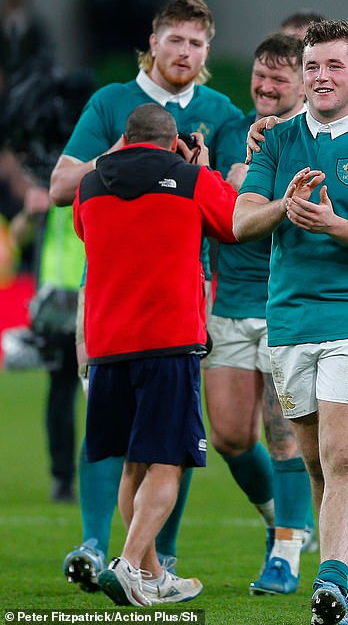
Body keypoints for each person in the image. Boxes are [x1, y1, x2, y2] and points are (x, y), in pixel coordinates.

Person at [49, 0, 243, 593]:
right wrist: (135, 161)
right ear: (153, 43)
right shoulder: (112, 101)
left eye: (195, 42)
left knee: (137, 448)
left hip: (151, 302)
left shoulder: (221, 108)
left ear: (206, 52)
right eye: (175, 39)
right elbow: (61, 183)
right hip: (144, 312)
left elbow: (241, 181)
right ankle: (120, 557)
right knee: (161, 448)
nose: (184, 51)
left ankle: (156, 568)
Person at [234, 19, 348, 625]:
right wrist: (284, 209)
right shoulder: (278, 141)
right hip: (289, 319)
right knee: (316, 463)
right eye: (312, 66)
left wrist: (334, 223)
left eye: (335, 66)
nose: (321, 76)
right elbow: (241, 221)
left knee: (343, 458)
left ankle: (331, 584)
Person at [73, 103, 238, 606]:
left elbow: (85, 231)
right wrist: (203, 167)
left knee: (133, 464)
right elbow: (232, 222)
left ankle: (151, 577)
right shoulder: (189, 178)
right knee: (168, 461)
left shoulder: (88, 185)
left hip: (107, 343)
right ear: (173, 142)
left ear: (125, 138)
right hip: (168, 340)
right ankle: (128, 564)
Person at [209, 32, 313, 596]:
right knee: (226, 435)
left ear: (302, 83)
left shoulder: (315, 133)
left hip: (286, 302)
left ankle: (289, 551)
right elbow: (224, 196)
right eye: (260, 76)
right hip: (231, 300)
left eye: (279, 78)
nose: (266, 87)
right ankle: (281, 519)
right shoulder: (233, 127)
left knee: (284, 432)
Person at [10, 188, 83, 503]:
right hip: (54, 306)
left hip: (90, 298)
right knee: (61, 393)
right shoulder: (47, 188)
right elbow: (16, 238)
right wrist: (29, 211)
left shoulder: (98, 183)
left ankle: (108, 472)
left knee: (101, 391)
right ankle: (63, 477)